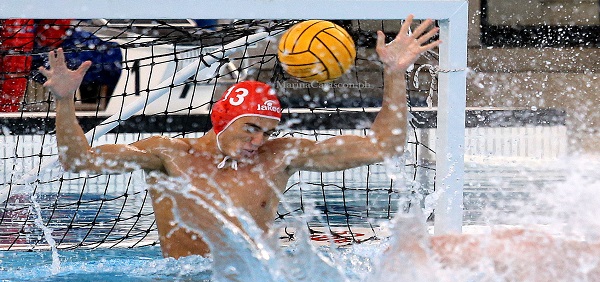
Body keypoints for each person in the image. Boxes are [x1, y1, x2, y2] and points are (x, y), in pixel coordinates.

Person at [39, 15, 441, 258]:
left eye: (266, 131)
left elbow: (383, 147)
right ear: (221, 119)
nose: (258, 141)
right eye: (251, 127)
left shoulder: (279, 155)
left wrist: (394, 74)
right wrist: (63, 101)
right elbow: (79, 162)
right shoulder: (167, 153)